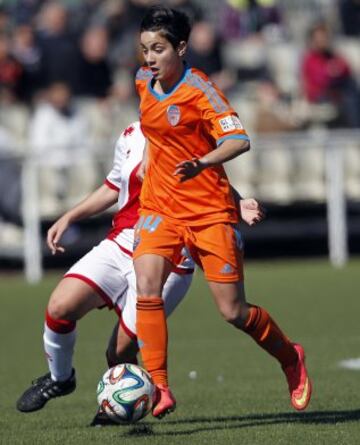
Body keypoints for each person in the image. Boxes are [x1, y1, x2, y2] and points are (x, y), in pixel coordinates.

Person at [16, 121, 264, 421]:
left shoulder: (185, 130)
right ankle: (60, 378)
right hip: (122, 241)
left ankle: (121, 408)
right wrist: (70, 216)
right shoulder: (131, 133)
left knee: (120, 352)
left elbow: (210, 176)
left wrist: (239, 204)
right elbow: (113, 186)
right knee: (59, 306)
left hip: (168, 252)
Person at [133, 5, 312, 419]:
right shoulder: (143, 80)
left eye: (158, 49)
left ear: (181, 47)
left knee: (233, 311)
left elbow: (240, 140)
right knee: (146, 285)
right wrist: (148, 154)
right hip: (160, 205)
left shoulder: (201, 90)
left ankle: (290, 357)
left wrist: (204, 166)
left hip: (208, 211)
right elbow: (154, 129)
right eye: (145, 49)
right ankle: (159, 386)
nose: (149, 58)